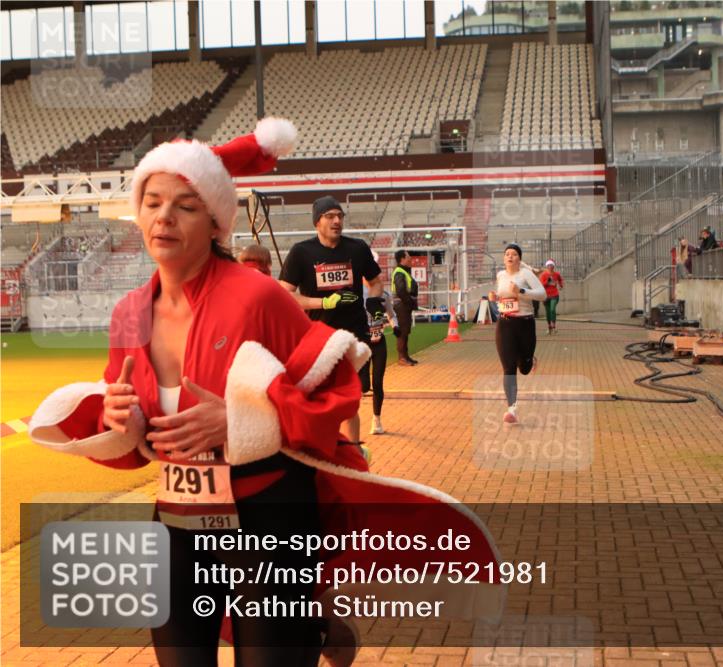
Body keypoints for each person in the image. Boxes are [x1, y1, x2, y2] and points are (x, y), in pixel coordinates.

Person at [28, 120, 506, 667]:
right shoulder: (128, 313)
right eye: (153, 201)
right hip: (177, 521)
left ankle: (313, 625)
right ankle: (318, 628)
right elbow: (133, 432)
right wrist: (124, 424)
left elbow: (335, 388)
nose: (164, 216)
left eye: (185, 205)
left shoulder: (258, 298)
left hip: (270, 521)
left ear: (214, 222)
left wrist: (240, 423)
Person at [278, 196, 383, 446]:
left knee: (349, 399)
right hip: (317, 338)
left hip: (353, 336)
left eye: (340, 216)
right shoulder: (301, 252)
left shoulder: (357, 248)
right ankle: (320, 450)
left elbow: (376, 281)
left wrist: (373, 301)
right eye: (330, 216)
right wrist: (322, 303)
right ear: (317, 222)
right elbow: (284, 294)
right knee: (318, 400)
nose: (337, 221)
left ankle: (351, 452)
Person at [487, 243, 546, 425]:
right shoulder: (500, 275)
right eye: (507, 254)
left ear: (519, 258)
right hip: (505, 324)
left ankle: (529, 359)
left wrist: (521, 292)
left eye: (513, 254)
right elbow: (503, 294)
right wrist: (495, 298)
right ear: (504, 259)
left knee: (524, 369)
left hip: (525, 323)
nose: (510, 257)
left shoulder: (525, 274)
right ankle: (511, 409)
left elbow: (542, 294)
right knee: (508, 368)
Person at [362, 250, 399, 437]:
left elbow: (391, 314)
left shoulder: (383, 294)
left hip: (379, 342)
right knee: (362, 385)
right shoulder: (354, 293)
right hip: (361, 343)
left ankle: (376, 419)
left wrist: (395, 326)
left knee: (377, 382)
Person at [391, 249, 419, 366]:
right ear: (402, 259)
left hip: (404, 304)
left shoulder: (403, 271)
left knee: (405, 331)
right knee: (402, 332)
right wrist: (410, 302)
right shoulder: (399, 272)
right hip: (402, 305)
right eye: (408, 257)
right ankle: (402, 358)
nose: (410, 259)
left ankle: (405, 356)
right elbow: (401, 291)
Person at [538, 259, 564, 335]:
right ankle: (549, 327)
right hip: (546, 296)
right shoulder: (543, 275)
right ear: (547, 266)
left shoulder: (556, 274)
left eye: (551, 265)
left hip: (554, 295)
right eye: (548, 265)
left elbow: (560, 279)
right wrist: (548, 281)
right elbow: (541, 285)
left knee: (552, 309)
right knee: (548, 312)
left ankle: (554, 325)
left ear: (553, 266)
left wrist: (561, 285)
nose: (550, 267)